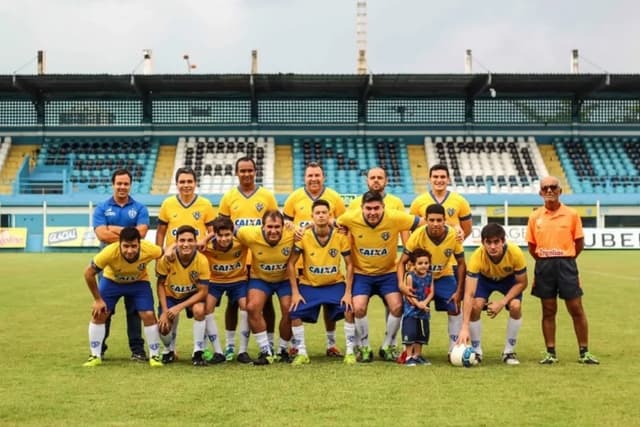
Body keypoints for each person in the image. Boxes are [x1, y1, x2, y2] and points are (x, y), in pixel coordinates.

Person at [337, 190, 423, 362]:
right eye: (368, 209)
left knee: (397, 306)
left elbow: (422, 223)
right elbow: (330, 222)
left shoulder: (395, 217)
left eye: (377, 208)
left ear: (383, 207)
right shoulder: (349, 218)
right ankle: (365, 345)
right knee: (359, 307)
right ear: (362, 208)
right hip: (362, 274)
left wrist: (452, 230)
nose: (373, 212)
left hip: (388, 273)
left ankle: (388, 345)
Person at [526, 176, 599, 365]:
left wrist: (566, 259)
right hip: (544, 266)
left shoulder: (572, 214)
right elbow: (532, 246)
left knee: (576, 308)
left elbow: (579, 242)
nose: (549, 190)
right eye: (545, 188)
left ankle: (584, 352)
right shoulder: (535, 217)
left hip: (567, 265)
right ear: (540, 193)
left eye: (553, 187)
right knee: (548, 310)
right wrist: (545, 261)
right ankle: (550, 352)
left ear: (560, 191)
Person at [217, 157, 278, 361]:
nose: (246, 174)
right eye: (242, 171)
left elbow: (275, 224)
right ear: (237, 173)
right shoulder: (229, 197)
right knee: (233, 303)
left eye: (249, 170)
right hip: (237, 260)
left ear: (255, 171)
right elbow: (220, 226)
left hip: (261, 259)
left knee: (266, 303)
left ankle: (268, 344)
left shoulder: (267, 197)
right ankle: (231, 346)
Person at [283, 161, 347, 357]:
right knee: (294, 305)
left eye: (317, 175)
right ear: (304, 177)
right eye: (310, 175)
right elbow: (285, 220)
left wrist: (318, 224)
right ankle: (295, 345)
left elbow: (344, 223)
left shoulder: (334, 197)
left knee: (330, 305)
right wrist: (293, 228)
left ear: (323, 177)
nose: (313, 179)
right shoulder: (294, 197)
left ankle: (331, 344)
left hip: (325, 262)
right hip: (301, 262)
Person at [82, 227, 164, 368]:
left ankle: (154, 355)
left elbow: (165, 252)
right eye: (125, 246)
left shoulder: (149, 249)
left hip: (139, 283)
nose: (130, 251)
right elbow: (88, 273)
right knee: (99, 314)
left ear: (140, 243)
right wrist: (97, 300)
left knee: (148, 314)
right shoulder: (109, 252)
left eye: (134, 246)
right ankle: (95, 355)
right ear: (119, 243)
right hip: (112, 282)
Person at [287, 199, 356, 365]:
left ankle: (349, 351)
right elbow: (290, 263)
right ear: (312, 216)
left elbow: (350, 264)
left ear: (329, 215)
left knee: (349, 307)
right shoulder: (303, 236)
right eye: (317, 213)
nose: (321, 216)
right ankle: (301, 352)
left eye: (324, 212)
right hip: (310, 284)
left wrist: (348, 292)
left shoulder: (340, 236)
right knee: (294, 311)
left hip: (334, 284)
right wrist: (295, 293)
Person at [92, 168, 149, 361]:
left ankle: (137, 350)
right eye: (119, 183)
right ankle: (99, 349)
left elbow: (140, 234)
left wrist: (114, 228)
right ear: (113, 184)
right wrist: (128, 231)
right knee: (105, 309)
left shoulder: (140, 208)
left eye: (126, 184)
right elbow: (101, 234)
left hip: (134, 266)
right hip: (108, 267)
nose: (122, 187)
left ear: (130, 185)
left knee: (134, 310)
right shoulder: (101, 207)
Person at [397, 204, 466, 357]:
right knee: (411, 310)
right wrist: (402, 284)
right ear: (426, 220)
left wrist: (460, 290)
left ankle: (453, 349)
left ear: (445, 220)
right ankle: (408, 348)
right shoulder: (418, 235)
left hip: (444, 276)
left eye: (439, 220)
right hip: (419, 279)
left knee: (454, 307)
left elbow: (461, 263)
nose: (435, 224)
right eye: (432, 220)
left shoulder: (453, 235)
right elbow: (401, 262)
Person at [457, 223, 528, 365]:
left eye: (496, 242)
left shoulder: (515, 253)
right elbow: (469, 294)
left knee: (515, 305)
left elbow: (522, 283)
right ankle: (476, 352)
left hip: (508, 280)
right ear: (483, 243)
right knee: (476, 306)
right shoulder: (477, 257)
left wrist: (502, 302)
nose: (493, 246)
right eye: (488, 242)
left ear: (503, 241)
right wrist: (464, 327)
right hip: (485, 280)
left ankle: (509, 352)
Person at [236, 210, 295, 365]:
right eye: (269, 227)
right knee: (252, 307)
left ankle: (282, 350)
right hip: (260, 279)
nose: (273, 231)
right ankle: (265, 351)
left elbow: (312, 228)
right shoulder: (250, 234)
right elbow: (229, 229)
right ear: (262, 226)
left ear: (283, 226)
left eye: (277, 227)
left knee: (290, 310)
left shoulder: (292, 233)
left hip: (284, 279)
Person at [156, 225, 212, 366]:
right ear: (176, 242)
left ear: (195, 242)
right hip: (171, 295)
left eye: (190, 240)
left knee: (199, 310)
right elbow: (160, 284)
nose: (186, 244)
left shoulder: (202, 261)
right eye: (182, 240)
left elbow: (203, 291)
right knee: (163, 326)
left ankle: (198, 352)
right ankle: (169, 350)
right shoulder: (167, 259)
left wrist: (179, 307)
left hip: (191, 296)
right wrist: (164, 310)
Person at [202, 216, 252, 364]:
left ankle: (242, 351)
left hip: (238, 281)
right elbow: (188, 246)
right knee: (207, 309)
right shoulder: (207, 247)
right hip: (215, 282)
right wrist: (204, 239)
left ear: (232, 233)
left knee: (246, 307)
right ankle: (218, 352)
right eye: (220, 235)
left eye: (227, 235)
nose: (224, 239)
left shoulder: (241, 242)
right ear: (214, 234)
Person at [409, 164, 472, 242]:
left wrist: (455, 243)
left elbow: (467, 229)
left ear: (448, 179)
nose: (439, 180)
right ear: (430, 179)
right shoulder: (418, 202)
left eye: (443, 177)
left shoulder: (461, 201)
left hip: (450, 250)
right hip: (426, 250)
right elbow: (412, 228)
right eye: (435, 177)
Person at [156, 167, 216, 248]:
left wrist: (205, 240)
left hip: (198, 255)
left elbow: (213, 231)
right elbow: (160, 233)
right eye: (182, 182)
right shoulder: (167, 203)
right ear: (176, 184)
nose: (186, 185)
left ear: (195, 183)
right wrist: (159, 255)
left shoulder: (206, 204)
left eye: (190, 181)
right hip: (173, 255)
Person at [401, 248, 434, 366]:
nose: (423, 266)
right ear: (414, 264)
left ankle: (417, 355)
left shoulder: (430, 276)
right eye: (420, 263)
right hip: (411, 311)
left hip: (424, 311)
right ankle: (409, 356)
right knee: (411, 332)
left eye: (426, 263)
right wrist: (418, 304)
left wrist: (425, 303)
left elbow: (431, 292)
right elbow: (408, 294)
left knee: (422, 334)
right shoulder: (410, 276)